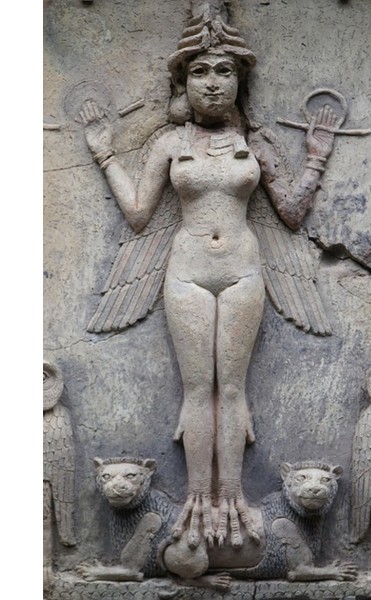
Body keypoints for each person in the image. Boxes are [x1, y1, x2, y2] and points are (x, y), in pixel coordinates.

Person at [80, 14, 336, 552]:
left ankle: (233, 495)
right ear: (183, 83)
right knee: (198, 389)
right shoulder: (171, 143)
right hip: (188, 270)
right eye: (200, 72)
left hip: (242, 269)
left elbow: (291, 214)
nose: (213, 82)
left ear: (240, 80)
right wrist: (104, 152)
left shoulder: (256, 143)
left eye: (224, 71)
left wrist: (316, 157)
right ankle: (199, 496)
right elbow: (138, 214)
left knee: (232, 389)